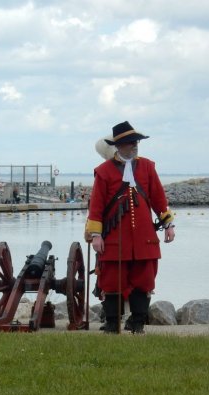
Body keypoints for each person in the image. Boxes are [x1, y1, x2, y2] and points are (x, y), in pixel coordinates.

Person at [85, 121, 175, 334]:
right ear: (118, 146)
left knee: (144, 280)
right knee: (112, 280)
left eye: (135, 142)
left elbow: (158, 198)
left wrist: (168, 224)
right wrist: (96, 235)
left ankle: (137, 324)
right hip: (115, 237)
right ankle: (113, 324)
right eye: (129, 142)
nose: (134, 146)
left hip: (144, 237)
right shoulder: (104, 171)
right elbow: (96, 205)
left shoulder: (147, 166)